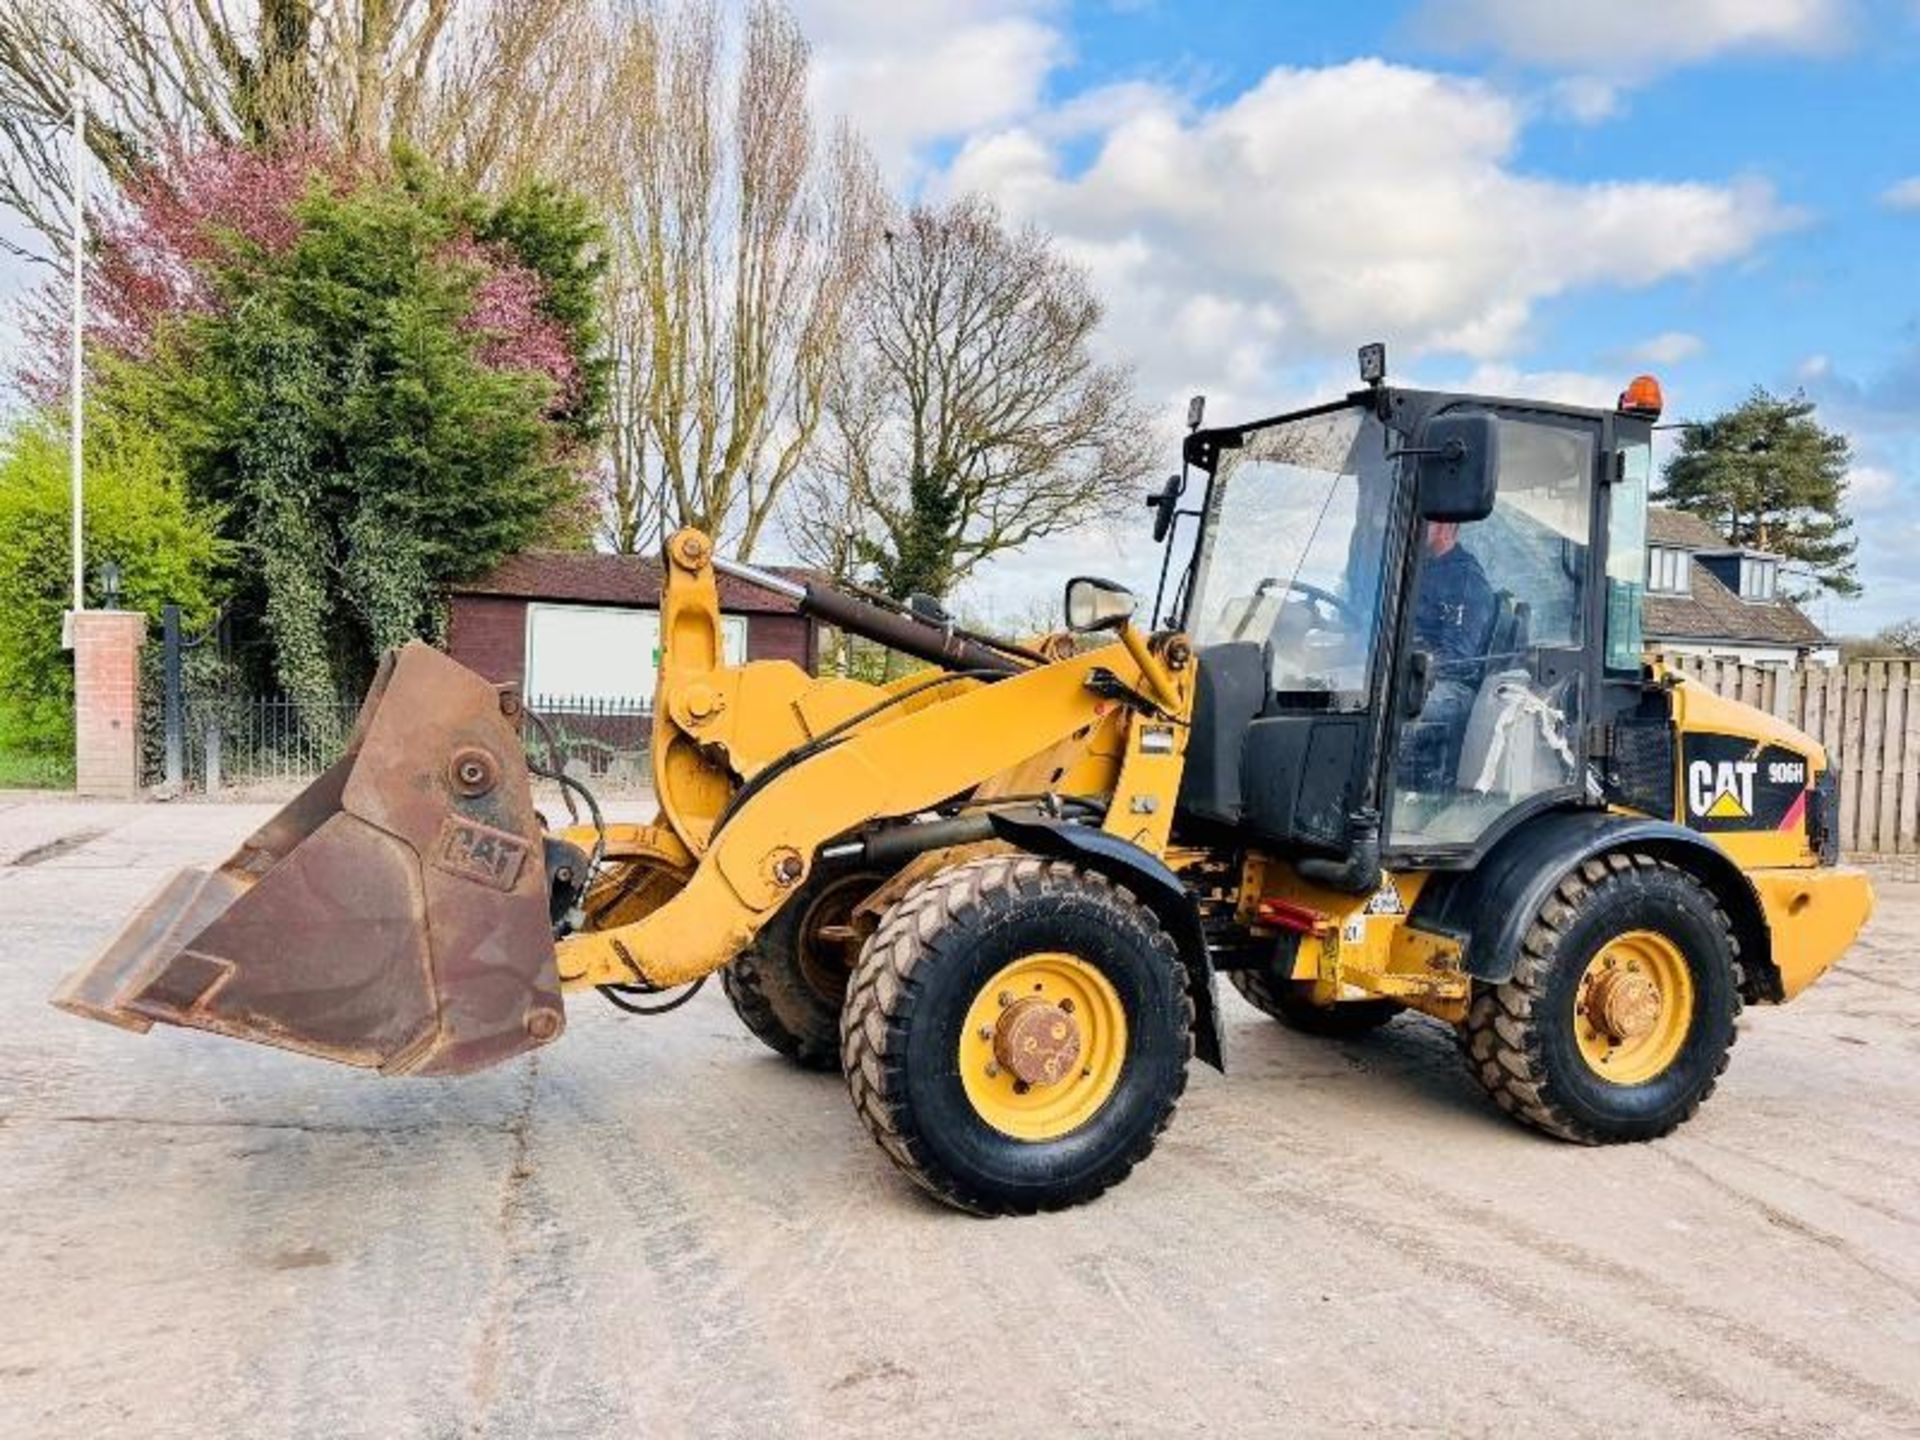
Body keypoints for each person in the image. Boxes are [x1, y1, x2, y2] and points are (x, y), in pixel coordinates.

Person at [1401, 521, 1496, 789]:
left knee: (1397, 712)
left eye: (1426, 521)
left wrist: (1403, 661)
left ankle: (1407, 794)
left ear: (1445, 526)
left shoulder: (1466, 581)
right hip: (1410, 673)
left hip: (1451, 686)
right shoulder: (1417, 568)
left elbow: (1458, 658)